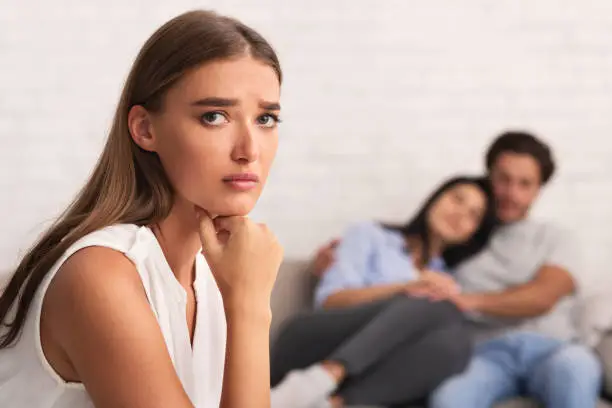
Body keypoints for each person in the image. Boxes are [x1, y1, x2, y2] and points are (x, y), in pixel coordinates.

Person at [0, 10, 283, 408]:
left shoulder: (212, 273)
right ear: (145, 129)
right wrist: (251, 308)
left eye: (266, 118)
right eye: (214, 116)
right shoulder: (99, 275)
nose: (249, 150)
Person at [313, 132, 603, 408]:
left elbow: (542, 297)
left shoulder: (556, 238)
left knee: (575, 372)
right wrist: (332, 264)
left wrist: (466, 301)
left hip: (553, 349)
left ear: (539, 190)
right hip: (482, 356)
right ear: (489, 177)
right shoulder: (462, 239)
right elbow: (405, 266)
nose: (511, 193)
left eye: (525, 184)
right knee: (448, 398)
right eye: (504, 179)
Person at [271, 176, 497, 408]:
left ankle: (334, 404)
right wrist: (406, 288)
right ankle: (320, 379)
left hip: (370, 375)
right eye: (457, 199)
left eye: (473, 215)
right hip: (311, 342)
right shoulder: (370, 234)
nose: (460, 214)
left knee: (458, 345)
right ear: (437, 197)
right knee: (433, 303)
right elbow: (331, 301)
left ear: (474, 232)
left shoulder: (447, 279)